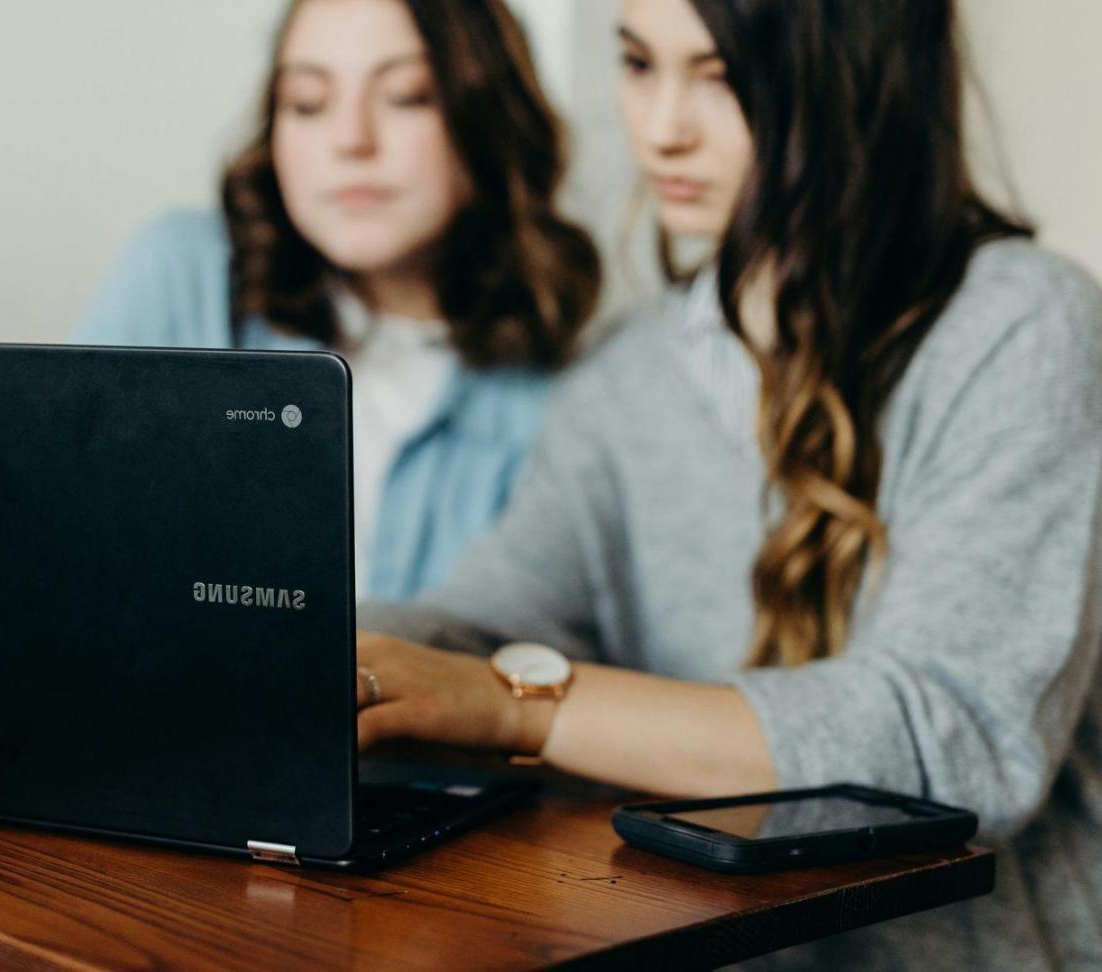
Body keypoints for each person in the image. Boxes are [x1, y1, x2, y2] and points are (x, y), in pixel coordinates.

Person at [355, 0, 1102, 967]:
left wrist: (516, 707)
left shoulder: (1022, 328)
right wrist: (311, 648)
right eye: (637, 63)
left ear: (854, 83)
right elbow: (482, 626)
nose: (662, 126)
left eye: (719, 76)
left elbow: (949, 738)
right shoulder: (621, 380)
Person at [75, 0, 601, 601]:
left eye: (407, 95)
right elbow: (59, 549)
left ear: (491, 116)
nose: (351, 140)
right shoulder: (182, 273)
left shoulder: (568, 395)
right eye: (307, 102)